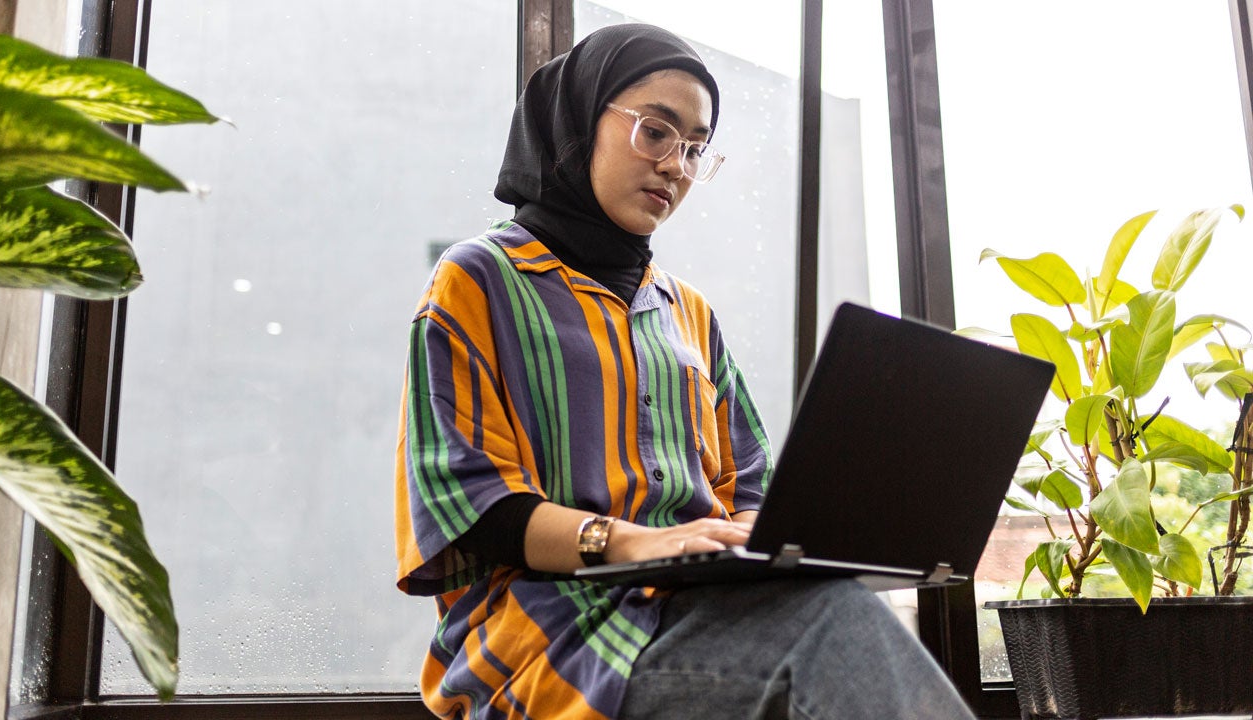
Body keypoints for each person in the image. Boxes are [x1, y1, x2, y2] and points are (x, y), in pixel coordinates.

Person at [394, 22, 976, 720]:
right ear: (579, 123)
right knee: (832, 629)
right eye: (656, 132)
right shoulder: (478, 279)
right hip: (547, 635)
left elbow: (748, 488)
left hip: (700, 611)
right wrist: (637, 542)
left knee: (830, 608)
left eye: (696, 148)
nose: (676, 164)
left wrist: (768, 545)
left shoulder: (689, 312)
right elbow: (463, 506)